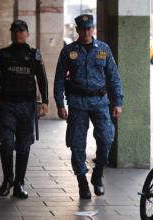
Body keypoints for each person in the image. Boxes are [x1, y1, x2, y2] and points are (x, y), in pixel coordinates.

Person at [54, 14, 123, 199]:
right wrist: (60, 104)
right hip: (77, 103)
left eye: (89, 28)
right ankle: (82, 182)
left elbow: (113, 77)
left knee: (107, 137)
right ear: (77, 30)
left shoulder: (104, 49)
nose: (87, 32)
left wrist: (118, 102)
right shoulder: (69, 51)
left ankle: (98, 175)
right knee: (77, 144)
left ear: (93, 29)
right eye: (83, 29)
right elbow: (59, 78)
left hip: (100, 102)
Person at [0, 19, 49, 199]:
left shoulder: (35, 55)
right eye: (15, 31)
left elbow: (42, 79)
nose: (18, 34)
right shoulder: (2, 55)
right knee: (7, 143)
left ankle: (19, 183)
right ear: (11, 33)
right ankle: (7, 179)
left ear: (27, 34)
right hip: (7, 105)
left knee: (23, 145)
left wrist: (46, 102)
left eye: (21, 31)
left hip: (27, 106)